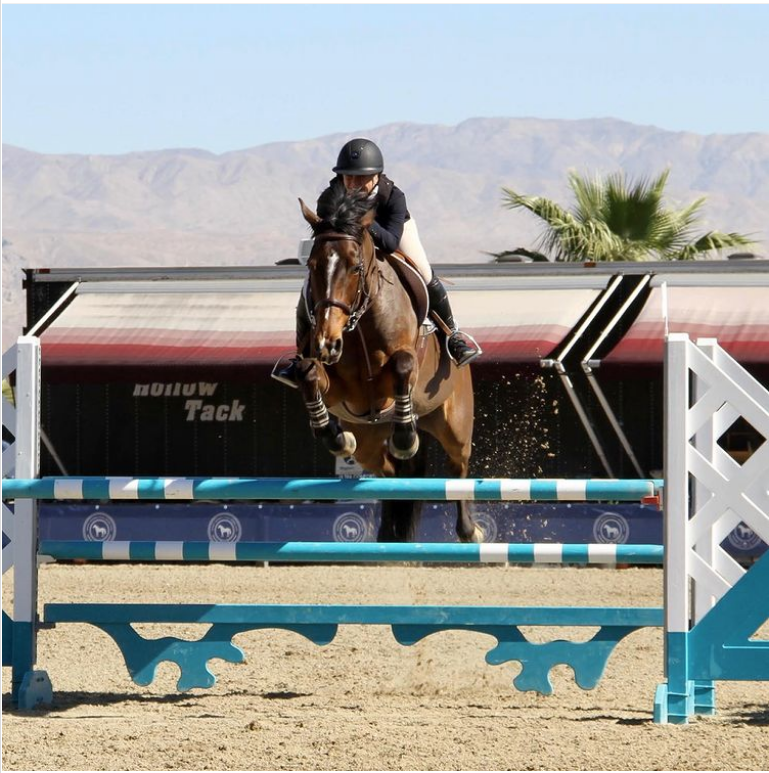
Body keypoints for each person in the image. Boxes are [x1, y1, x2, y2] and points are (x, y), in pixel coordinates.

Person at [272, 138, 481, 388]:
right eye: (348, 177)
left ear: (376, 176)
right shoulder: (329, 197)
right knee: (309, 284)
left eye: (361, 178)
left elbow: (391, 242)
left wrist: (365, 223)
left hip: (392, 233)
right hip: (350, 246)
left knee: (424, 272)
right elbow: (329, 238)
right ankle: (300, 355)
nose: (353, 184)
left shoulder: (393, 196)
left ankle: (453, 336)